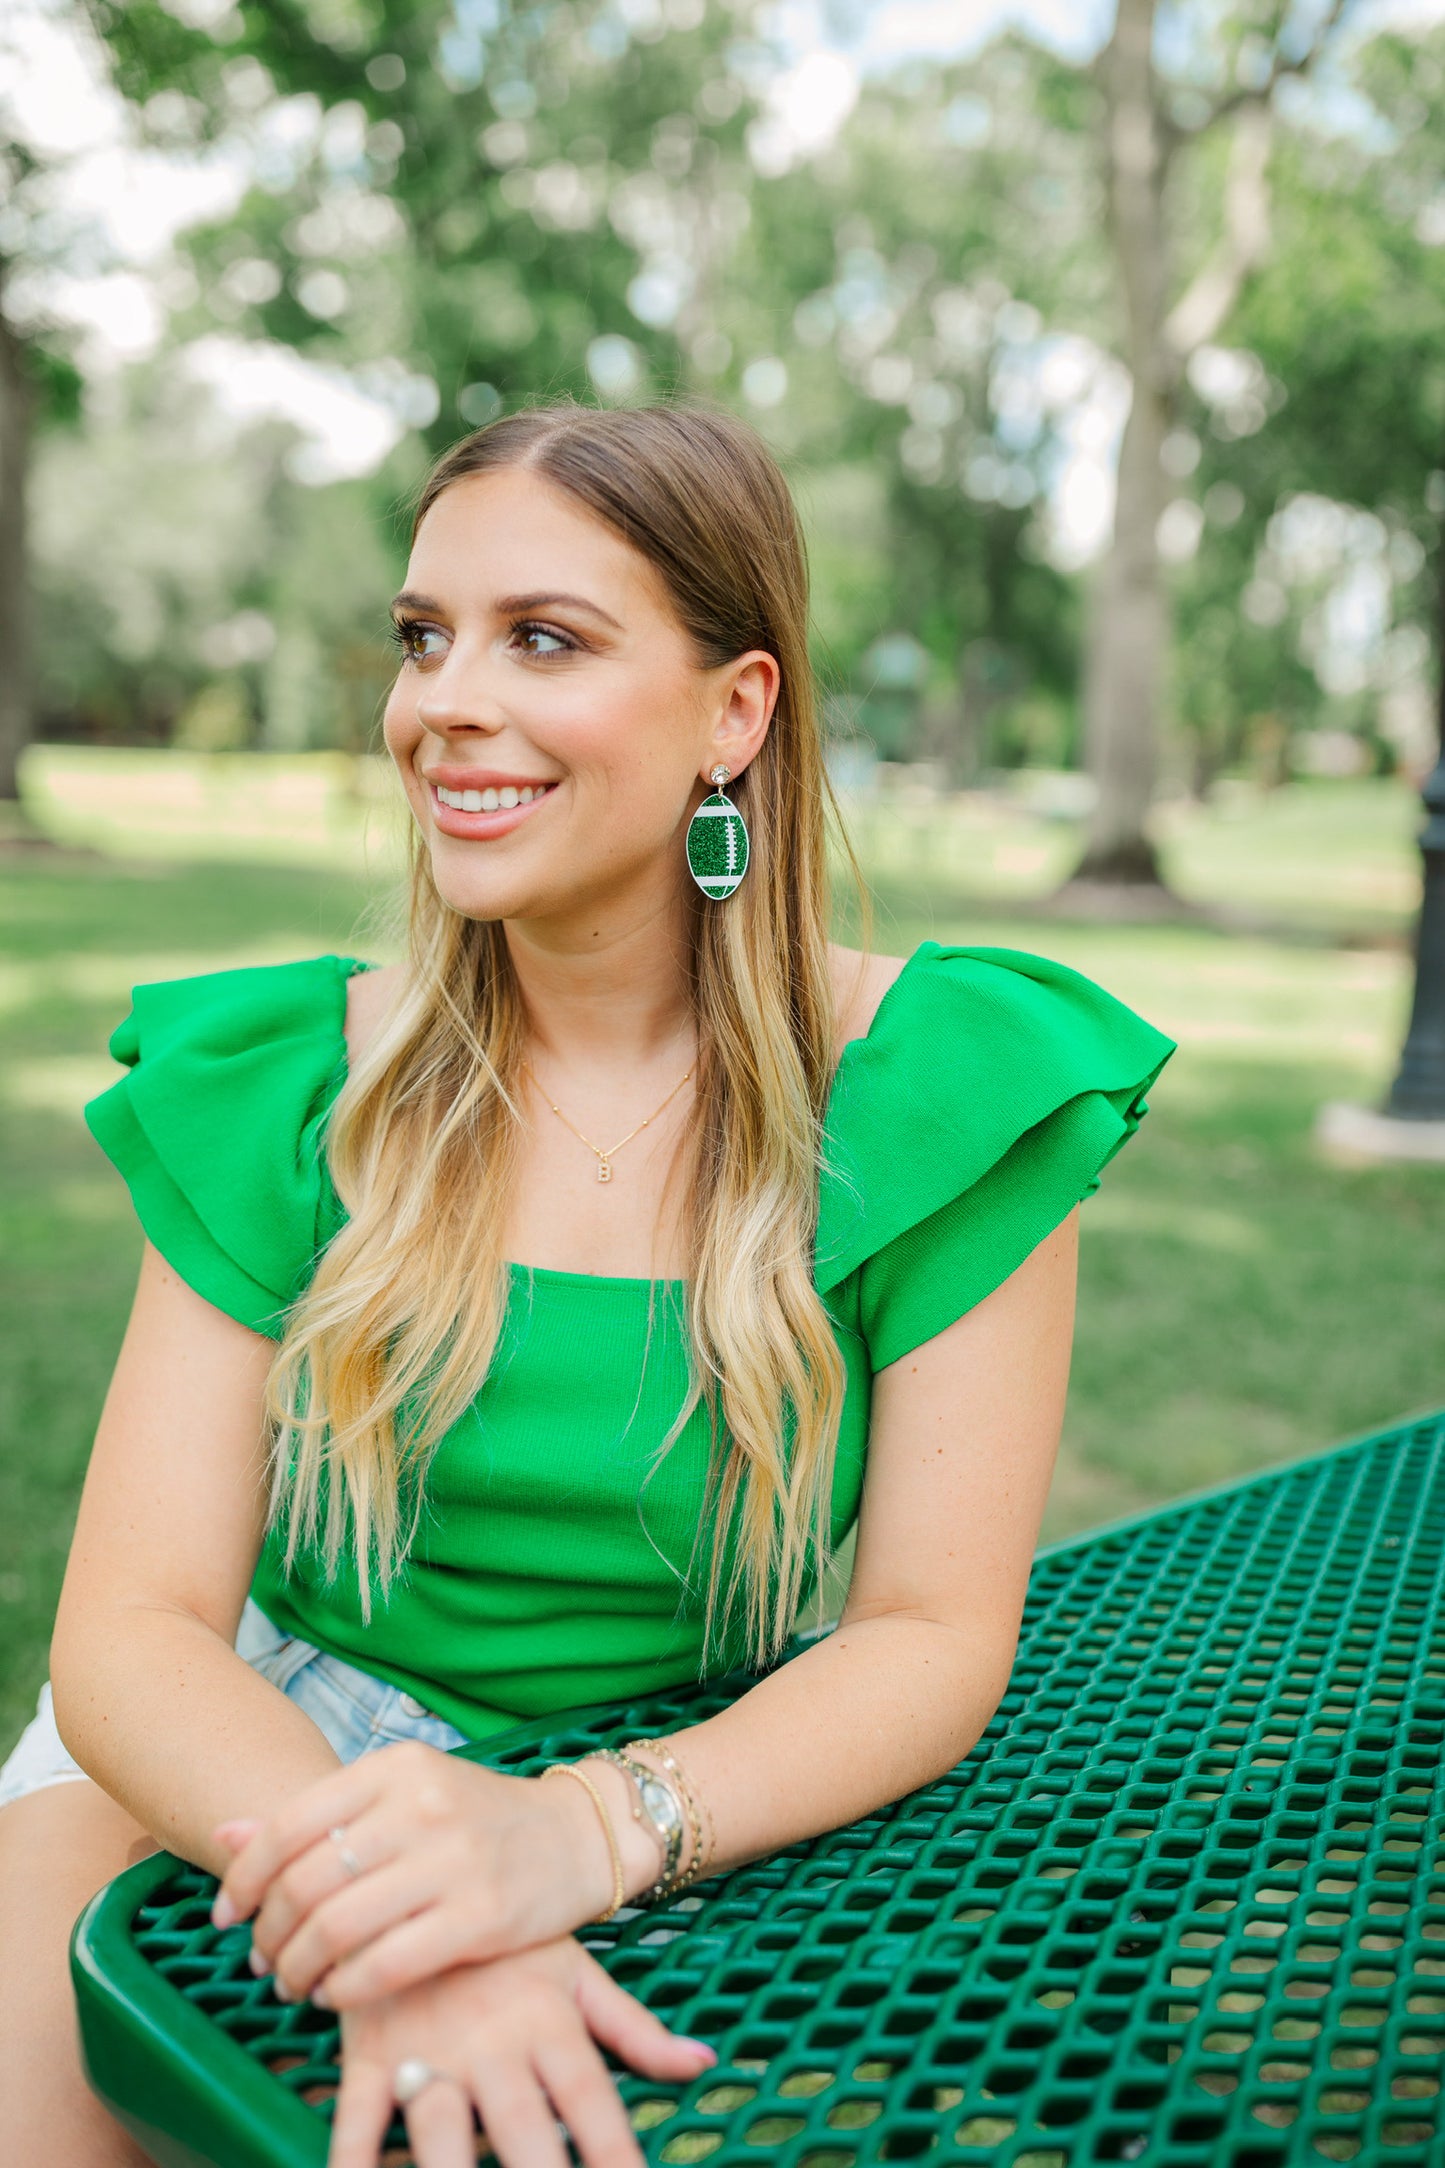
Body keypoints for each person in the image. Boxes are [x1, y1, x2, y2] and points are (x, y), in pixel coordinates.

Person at [0, 396, 1175, 2168]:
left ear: (736, 710)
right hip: (248, 1751)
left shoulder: (942, 1091)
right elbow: (135, 1631)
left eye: (541, 637)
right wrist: (399, 1905)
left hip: (677, 1785)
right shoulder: (282, 1085)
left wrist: (571, 1838)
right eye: (423, 639)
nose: (442, 704)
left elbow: (929, 1635)